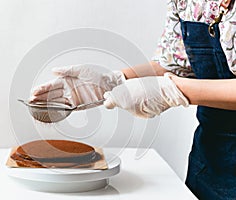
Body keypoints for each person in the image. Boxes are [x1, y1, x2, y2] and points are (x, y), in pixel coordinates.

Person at [30, 0, 236, 199]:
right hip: (211, 159)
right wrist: (111, 81)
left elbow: (175, 82)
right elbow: (175, 63)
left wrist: (174, 90)